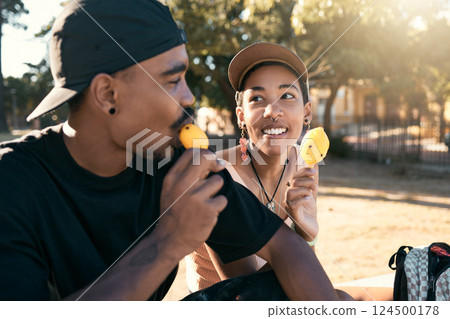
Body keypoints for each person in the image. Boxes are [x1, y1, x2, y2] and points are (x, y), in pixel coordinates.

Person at [0, 0, 348, 301]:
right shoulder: (12, 184)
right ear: (107, 94)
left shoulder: (173, 162)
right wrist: (166, 243)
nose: (188, 97)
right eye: (171, 80)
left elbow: (285, 249)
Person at [186, 42, 320, 292]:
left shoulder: (304, 165)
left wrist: (305, 230)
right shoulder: (217, 178)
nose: (272, 111)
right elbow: (249, 293)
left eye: (287, 95)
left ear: (307, 112)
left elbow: (304, 284)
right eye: (257, 98)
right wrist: (304, 238)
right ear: (241, 117)